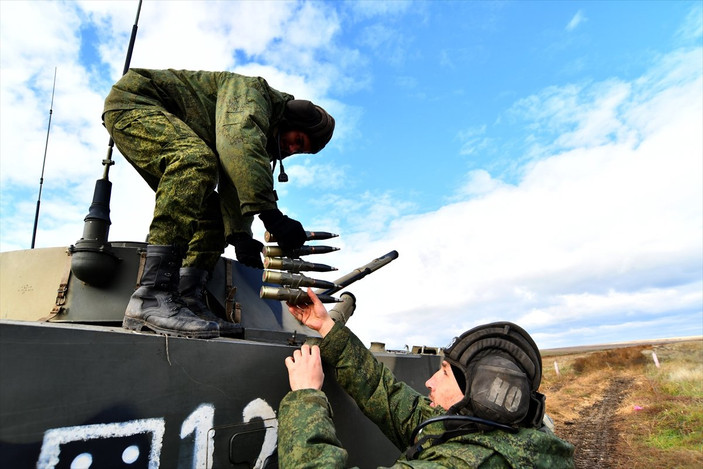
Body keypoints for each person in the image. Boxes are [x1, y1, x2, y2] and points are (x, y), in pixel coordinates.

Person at [102, 68, 334, 339]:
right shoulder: (252, 94)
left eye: (299, 151)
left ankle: (187, 300)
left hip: (170, 121)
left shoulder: (260, 137)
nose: (292, 150)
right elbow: (239, 142)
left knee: (212, 213)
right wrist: (272, 216)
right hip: (135, 103)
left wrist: (239, 236)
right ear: (292, 118)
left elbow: (233, 181)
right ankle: (152, 296)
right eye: (297, 141)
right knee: (194, 161)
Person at [278, 289, 574, 468]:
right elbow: (390, 398)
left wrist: (305, 396)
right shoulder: (492, 429)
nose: (429, 382)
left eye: (444, 373)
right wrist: (328, 328)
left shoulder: (468, 462)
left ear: (480, 396)